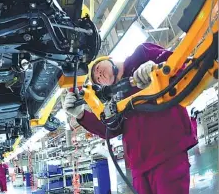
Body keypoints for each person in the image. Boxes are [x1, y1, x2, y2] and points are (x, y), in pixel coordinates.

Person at [63, 43, 197, 194]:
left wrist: (157, 68)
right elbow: (111, 129)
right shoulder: (114, 100)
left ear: (110, 58)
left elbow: (182, 66)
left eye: (98, 68)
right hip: (139, 168)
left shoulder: (141, 54)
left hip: (167, 154)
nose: (99, 75)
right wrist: (81, 114)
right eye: (97, 79)